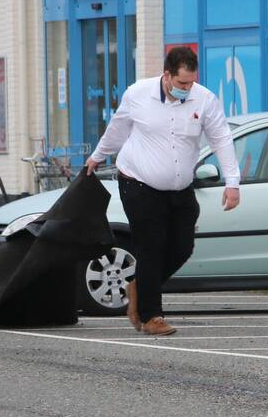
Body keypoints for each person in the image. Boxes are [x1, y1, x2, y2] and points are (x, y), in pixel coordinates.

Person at [85, 47, 240, 336]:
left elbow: (221, 138)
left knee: (183, 247)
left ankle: (140, 287)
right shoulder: (138, 94)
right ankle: (151, 317)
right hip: (138, 182)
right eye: (182, 83)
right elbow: (118, 129)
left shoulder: (205, 99)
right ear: (166, 75)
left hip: (180, 189)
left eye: (191, 83)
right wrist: (97, 156)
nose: (187, 88)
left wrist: (232, 183)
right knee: (150, 246)